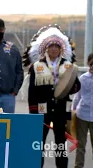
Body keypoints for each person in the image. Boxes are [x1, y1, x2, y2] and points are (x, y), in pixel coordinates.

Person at [25, 25, 81, 168]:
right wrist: (33, 112)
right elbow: (32, 91)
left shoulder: (68, 66)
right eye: (51, 47)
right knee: (39, 142)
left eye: (56, 46)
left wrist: (67, 87)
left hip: (61, 110)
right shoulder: (37, 66)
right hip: (42, 110)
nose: (54, 49)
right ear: (46, 49)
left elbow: (77, 86)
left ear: (61, 48)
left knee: (60, 143)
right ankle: (37, 165)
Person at [72, 53, 93, 168]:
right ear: (88, 64)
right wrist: (73, 110)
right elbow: (77, 96)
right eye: (91, 63)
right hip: (82, 115)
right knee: (80, 145)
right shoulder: (83, 78)